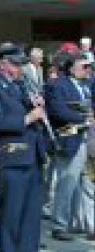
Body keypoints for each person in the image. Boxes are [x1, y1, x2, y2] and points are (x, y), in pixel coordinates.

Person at [0, 43, 48, 252]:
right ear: (2, 63)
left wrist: (37, 104)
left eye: (21, 64)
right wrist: (28, 117)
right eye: (15, 64)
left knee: (31, 214)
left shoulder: (21, 85)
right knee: (11, 214)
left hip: (32, 156)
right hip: (12, 155)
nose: (19, 68)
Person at [45, 51, 93, 241]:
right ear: (71, 67)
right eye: (84, 67)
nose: (88, 70)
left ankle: (80, 221)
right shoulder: (58, 86)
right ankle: (59, 224)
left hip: (86, 139)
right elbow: (58, 111)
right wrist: (84, 118)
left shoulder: (86, 85)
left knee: (85, 183)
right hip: (69, 139)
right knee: (68, 182)